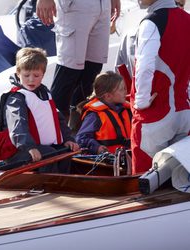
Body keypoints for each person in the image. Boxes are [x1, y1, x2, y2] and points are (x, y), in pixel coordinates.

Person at [36, 0, 121, 132]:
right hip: (74, 6)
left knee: (92, 73)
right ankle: (54, 136)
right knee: (68, 74)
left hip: (103, 6)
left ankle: (78, 133)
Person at [0, 47, 79, 173]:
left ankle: (62, 185)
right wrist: (29, 147)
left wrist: (68, 139)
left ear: (43, 75)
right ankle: (47, 187)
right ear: (18, 73)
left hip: (42, 147)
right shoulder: (16, 98)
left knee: (65, 153)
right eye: (26, 75)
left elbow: (57, 119)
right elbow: (18, 125)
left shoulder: (45, 93)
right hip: (20, 151)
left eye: (36, 75)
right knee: (49, 154)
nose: (31, 79)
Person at [130, 0, 190, 174]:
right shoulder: (187, 19)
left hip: (156, 112)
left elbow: (145, 65)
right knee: (178, 176)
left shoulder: (152, 21)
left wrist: (141, 102)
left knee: (144, 178)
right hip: (184, 110)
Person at [75, 71, 132, 155]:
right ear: (108, 96)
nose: (125, 91)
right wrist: (97, 148)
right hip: (108, 159)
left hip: (129, 155)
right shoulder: (94, 115)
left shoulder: (126, 109)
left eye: (124, 88)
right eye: (121, 89)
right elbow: (81, 138)